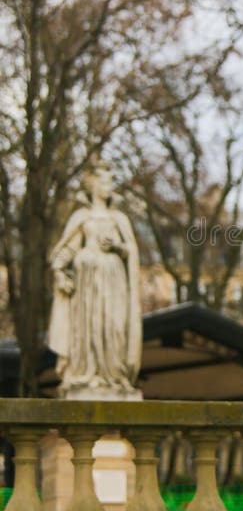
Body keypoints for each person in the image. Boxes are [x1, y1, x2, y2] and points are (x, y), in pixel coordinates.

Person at [48, 159, 141, 398]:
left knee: (113, 326)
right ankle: (85, 374)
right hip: (86, 282)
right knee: (87, 328)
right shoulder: (82, 216)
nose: (108, 185)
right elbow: (66, 249)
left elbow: (131, 251)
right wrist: (59, 273)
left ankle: (113, 375)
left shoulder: (119, 219)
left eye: (110, 180)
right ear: (93, 184)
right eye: (103, 180)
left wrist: (118, 246)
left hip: (113, 280)